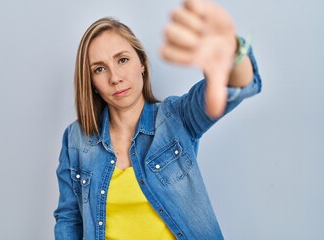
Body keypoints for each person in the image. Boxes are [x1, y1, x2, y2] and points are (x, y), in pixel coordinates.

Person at [53, 0, 261, 239]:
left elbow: (237, 86)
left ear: (141, 63)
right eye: (99, 69)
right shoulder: (76, 139)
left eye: (122, 60)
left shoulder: (176, 117)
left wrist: (232, 49)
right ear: (92, 83)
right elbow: (69, 220)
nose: (115, 78)